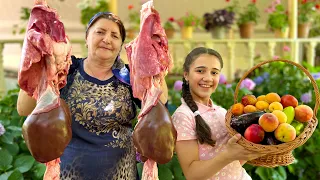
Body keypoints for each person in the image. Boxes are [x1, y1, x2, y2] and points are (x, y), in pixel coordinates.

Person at [17, 12, 168, 180]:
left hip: (122, 174)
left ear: (120, 45)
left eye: (114, 36)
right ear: (87, 37)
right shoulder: (66, 69)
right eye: (100, 32)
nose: (107, 39)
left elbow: (160, 103)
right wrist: (38, 65)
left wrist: (154, 65)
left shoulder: (131, 77)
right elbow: (24, 109)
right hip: (69, 174)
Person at [172, 47, 265, 180]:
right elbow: (192, 174)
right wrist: (228, 154)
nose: (208, 78)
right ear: (186, 74)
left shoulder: (221, 112)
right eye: (200, 71)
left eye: (214, 73)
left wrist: (248, 151)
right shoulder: (183, 116)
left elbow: (232, 162)